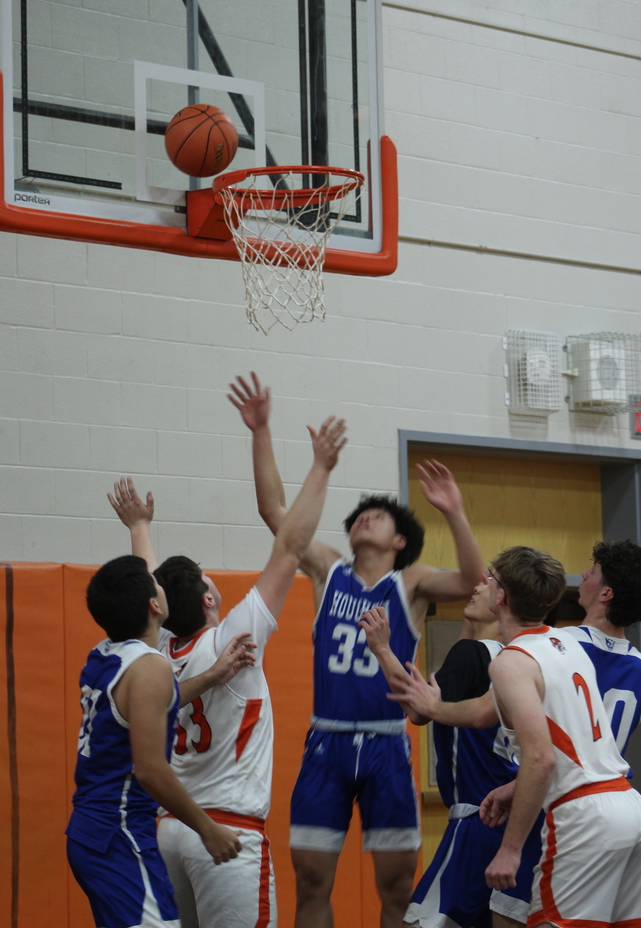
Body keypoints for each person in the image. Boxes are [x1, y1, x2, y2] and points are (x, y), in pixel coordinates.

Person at [228, 372, 485, 928]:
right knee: (311, 882)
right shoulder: (330, 570)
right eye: (360, 515)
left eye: (379, 515)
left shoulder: (409, 583)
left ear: (399, 540)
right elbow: (275, 514)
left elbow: (472, 580)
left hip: (388, 744)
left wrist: (455, 511)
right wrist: (261, 431)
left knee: (396, 889)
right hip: (328, 740)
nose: (366, 516)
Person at [109, 415, 347, 928]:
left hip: (171, 828)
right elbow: (289, 545)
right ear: (208, 598)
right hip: (225, 832)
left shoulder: (158, 650)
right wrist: (320, 468)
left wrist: (139, 529)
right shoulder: (233, 640)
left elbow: (150, 586)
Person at [390, 540, 641, 928]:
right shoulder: (592, 653)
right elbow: (500, 717)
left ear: (501, 596)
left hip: (576, 811)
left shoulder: (537, 652)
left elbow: (537, 755)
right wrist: (510, 786)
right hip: (629, 805)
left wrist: (510, 848)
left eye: (492, 578)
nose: (483, 582)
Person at [66, 554, 242, 928]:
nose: (160, 583)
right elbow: (150, 771)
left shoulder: (104, 653)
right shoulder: (150, 666)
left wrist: (212, 676)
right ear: (154, 606)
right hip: (118, 831)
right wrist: (207, 829)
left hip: (89, 829)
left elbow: (150, 703)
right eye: (156, 583)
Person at [360, 587, 542, 928]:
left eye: (490, 581)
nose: (478, 587)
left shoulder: (471, 655)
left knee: (417, 923)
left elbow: (419, 710)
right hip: (521, 821)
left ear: (503, 601)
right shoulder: (522, 661)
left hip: (477, 818)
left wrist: (382, 649)